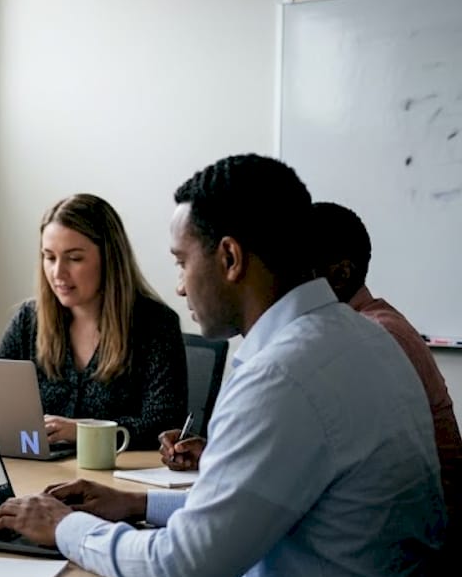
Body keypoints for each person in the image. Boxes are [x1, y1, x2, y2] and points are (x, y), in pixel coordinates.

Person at [0, 154, 444, 577]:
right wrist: (137, 503)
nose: (180, 285)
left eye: (182, 261)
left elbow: (184, 575)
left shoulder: (281, 377)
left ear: (229, 258)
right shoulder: (362, 338)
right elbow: (257, 501)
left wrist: (64, 526)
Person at [161, 202, 462, 505]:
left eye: (299, 274)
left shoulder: (371, 338)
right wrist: (216, 455)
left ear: (340, 275)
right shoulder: (340, 335)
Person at [0, 193, 186, 449]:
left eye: (74, 258)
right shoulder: (28, 321)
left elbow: (164, 425)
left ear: (109, 258)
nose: (58, 273)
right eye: (49, 257)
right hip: (40, 472)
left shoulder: (155, 325)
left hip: (115, 480)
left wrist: (84, 431)